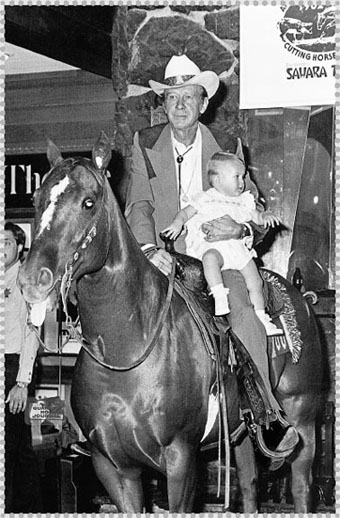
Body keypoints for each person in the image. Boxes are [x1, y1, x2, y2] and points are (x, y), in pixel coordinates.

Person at [124, 54, 298, 458]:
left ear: (204, 103)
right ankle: (98, 418)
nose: (180, 105)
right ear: (162, 104)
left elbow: (255, 208)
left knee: (241, 305)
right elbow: (139, 205)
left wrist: (240, 230)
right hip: (163, 256)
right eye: (171, 97)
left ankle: (266, 415)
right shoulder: (144, 144)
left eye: (189, 96)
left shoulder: (227, 149)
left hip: (217, 256)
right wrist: (150, 249)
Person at [162, 150, 284, 336]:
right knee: (210, 259)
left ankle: (261, 317)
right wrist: (177, 223)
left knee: (255, 281)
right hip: (213, 248)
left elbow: (256, 217)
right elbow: (186, 213)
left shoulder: (243, 201)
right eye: (237, 177)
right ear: (218, 180)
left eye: (243, 176)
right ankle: (219, 294)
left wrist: (265, 216)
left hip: (236, 250)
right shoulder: (205, 198)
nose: (242, 182)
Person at [5, 221, 42, 512]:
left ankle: (21, 508)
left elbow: (32, 331)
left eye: (6, 243)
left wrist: (21, 382)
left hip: (14, 367)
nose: (1, 249)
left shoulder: (25, 280)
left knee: (13, 448)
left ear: (19, 247)